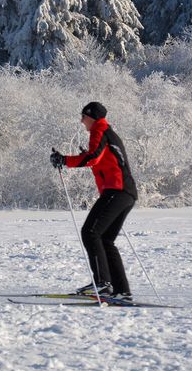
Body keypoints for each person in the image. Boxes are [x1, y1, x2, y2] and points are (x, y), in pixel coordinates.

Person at [50, 102, 137, 300]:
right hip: (125, 193)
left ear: (92, 117)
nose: (82, 121)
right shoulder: (107, 132)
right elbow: (102, 160)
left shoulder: (100, 130)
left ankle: (102, 284)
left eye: (83, 117)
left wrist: (64, 160)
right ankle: (121, 291)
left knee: (90, 232)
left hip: (117, 191)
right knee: (105, 240)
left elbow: (93, 158)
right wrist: (82, 157)